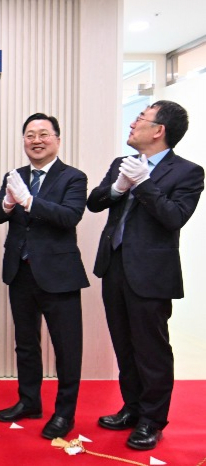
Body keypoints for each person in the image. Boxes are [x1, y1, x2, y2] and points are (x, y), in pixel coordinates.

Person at [87, 100, 204, 451]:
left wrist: (144, 184)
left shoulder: (188, 172)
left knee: (151, 350)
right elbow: (95, 202)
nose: (133, 123)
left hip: (151, 273)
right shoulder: (122, 164)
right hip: (115, 266)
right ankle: (132, 408)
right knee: (123, 345)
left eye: (141, 118)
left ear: (159, 130)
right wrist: (118, 188)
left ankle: (153, 420)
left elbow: (173, 218)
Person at [0, 113, 88, 439]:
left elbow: (69, 216)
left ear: (57, 139)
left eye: (43, 134)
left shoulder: (73, 177)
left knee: (66, 349)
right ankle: (29, 401)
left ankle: (64, 414)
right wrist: (6, 203)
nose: (36, 140)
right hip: (21, 273)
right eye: (30, 134)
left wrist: (30, 201)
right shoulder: (15, 175)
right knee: (26, 344)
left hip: (59, 275)